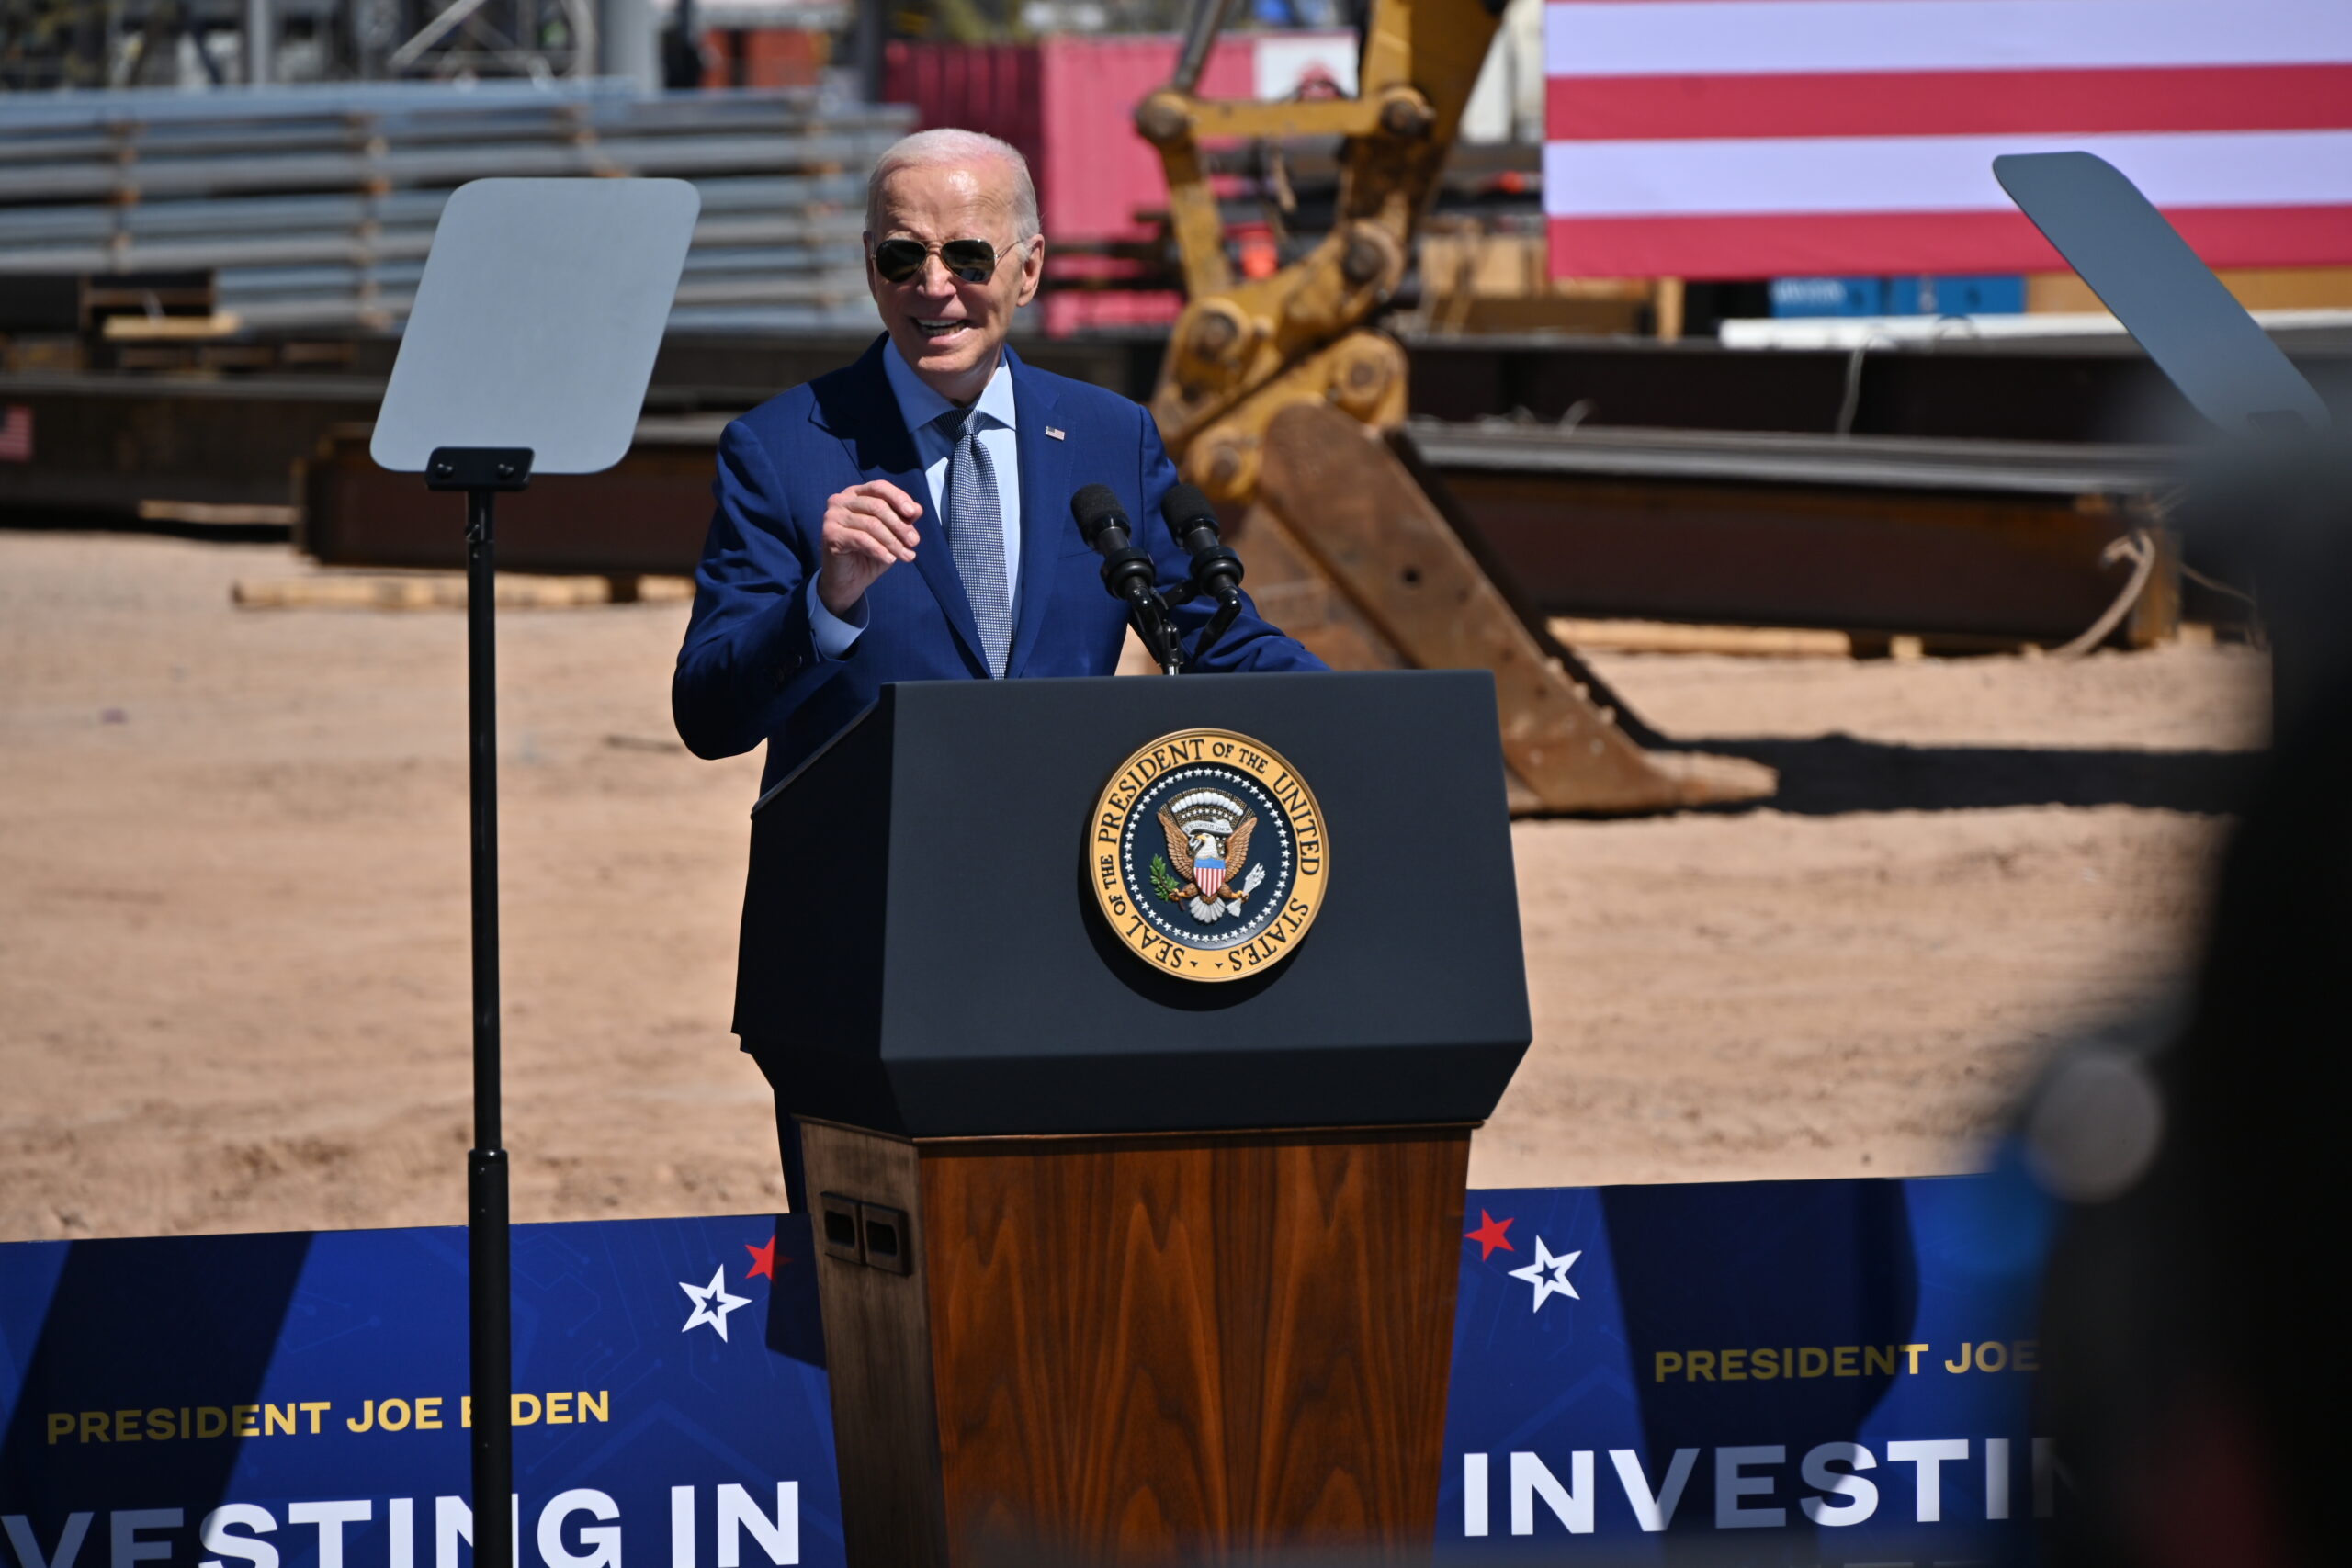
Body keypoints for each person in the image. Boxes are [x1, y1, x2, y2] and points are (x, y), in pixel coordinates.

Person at [671, 127, 1326, 1206]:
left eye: (967, 257)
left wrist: (1371, 728)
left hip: (1085, 938)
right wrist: (825, 598)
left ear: (1028, 267)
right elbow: (709, 710)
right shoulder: (783, 449)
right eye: (900, 258)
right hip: (858, 962)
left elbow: (1211, 635)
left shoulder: (1108, 438)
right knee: (888, 1310)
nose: (935, 288)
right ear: (868, 266)